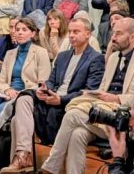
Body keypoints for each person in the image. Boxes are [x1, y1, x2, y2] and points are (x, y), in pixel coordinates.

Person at [17, 18, 134, 174]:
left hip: (125, 118)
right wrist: (95, 95)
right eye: (113, 33)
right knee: (77, 134)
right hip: (104, 112)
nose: (113, 37)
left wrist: (118, 98)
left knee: (73, 114)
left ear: (133, 36)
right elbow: (103, 89)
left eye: (118, 34)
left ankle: (48, 173)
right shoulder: (113, 58)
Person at [0, 17, 51, 170]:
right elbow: (1, 82)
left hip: (26, 96)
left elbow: (43, 83)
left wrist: (20, 93)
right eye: (17, 29)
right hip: (8, 93)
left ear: (33, 33)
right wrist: (7, 90)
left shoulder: (41, 53)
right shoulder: (10, 54)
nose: (19, 33)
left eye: (24, 30)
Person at [30, 15, 105, 145]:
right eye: (70, 32)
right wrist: (45, 88)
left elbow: (89, 91)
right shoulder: (62, 56)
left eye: (76, 32)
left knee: (53, 112)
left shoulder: (96, 58)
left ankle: (53, 148)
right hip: (53, 96)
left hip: (72, 101)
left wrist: (61, 99)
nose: (71, 35)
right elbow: (51, 80)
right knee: (29, 99)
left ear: (88, 34)